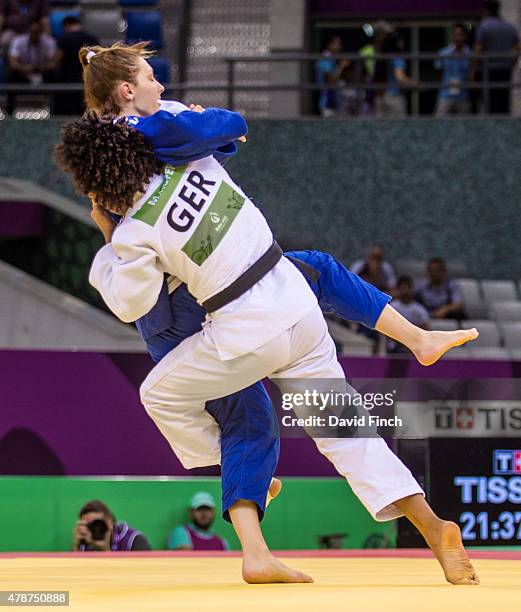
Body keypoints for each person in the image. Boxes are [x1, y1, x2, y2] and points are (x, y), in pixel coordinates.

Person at [55, 42, 480, 587]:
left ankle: (224, 464)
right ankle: (434, 526)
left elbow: (131, 304)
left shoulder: (134, 229)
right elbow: (208, 127)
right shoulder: (197, 158)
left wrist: (110, 239)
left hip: (241, 329)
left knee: (161, 395)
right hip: (295, 305)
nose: (161, 90)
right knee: (344, 429)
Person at [473, 0, 521, 114]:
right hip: (505, 69)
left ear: (486, 10)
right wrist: (512, 63)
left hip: (489, 70)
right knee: (504, 101)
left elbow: (478, 49)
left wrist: (473, 69)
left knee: (491, 102)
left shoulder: (484, 26)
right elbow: (518, 48)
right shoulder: (510, 26)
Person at [6, 18, 57, 114]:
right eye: (32, 32)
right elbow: (13, 63)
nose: (35, 35)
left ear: (41, 32)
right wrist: (24, 68)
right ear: (28, 31)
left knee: (55, 76)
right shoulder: (18, 41)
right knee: (10, 77)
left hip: (42, 73)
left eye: (37, 32)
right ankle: (10, 112)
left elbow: (53, 63)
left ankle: (55, 112)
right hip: (23, 74)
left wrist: (42, 67)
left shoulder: (49, 41)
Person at [54, 16, 98, 115]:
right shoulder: (92, 38)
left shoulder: (64, 39)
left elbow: (55, 62)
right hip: (87, 83)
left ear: (66, 26)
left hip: (67, 84)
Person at [72, 499, 151, 552]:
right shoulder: (84, 543)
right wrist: (76, 547)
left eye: (98, 523)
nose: (95, 528)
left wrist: (104, 550)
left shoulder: (134, 540)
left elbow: (143, 573)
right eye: (89, 526)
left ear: (110, 523)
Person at [372, 29, 416, 118]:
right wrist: (416, 84)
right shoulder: (397, 57)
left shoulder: (381, 57)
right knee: (399, 128)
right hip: (394, 97)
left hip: (380, 98)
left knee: (380, 130)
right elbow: (400, 78)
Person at [435, 24, 471, 116]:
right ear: (452, 35)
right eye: (455, 34)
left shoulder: (470, 54)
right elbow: (439, 73)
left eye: (461, 35)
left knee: (464, 126)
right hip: (445, 95)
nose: (458, 38)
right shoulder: (443, 53)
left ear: (465, 37)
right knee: (440, 123)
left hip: (463, 95)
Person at [388, 276, 430, 353]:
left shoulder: (419, 309)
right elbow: (386, 329)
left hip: (414, 346)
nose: (405, 291)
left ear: (411, 289)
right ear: (398, 290)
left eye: (407, 288)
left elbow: (426, 329)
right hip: (395, 346)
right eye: (402, 288)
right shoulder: (392, 307)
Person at [315, 35, 349, 117]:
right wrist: (341, 66)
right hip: (328, 103)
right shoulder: (325, 59)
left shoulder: (332, 60)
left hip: (336, 102)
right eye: (337, 44)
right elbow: (331, 80)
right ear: (329, 45)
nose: (340, 47)